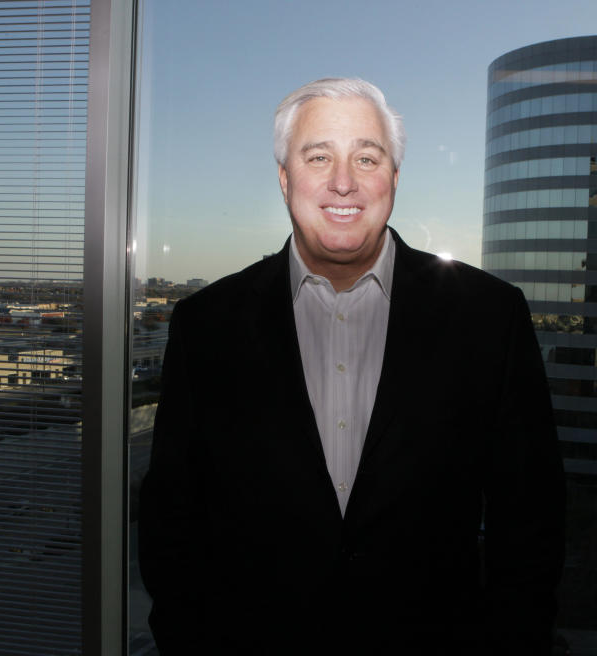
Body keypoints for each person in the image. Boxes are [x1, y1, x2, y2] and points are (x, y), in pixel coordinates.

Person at [138, 78, 565, 655]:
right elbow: (172, 518)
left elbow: (530, 515)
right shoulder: (204, 325)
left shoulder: (489, 316)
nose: (344, 181)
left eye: (367, 157)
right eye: (320, 157)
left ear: (393, 179)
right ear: (286, 179)